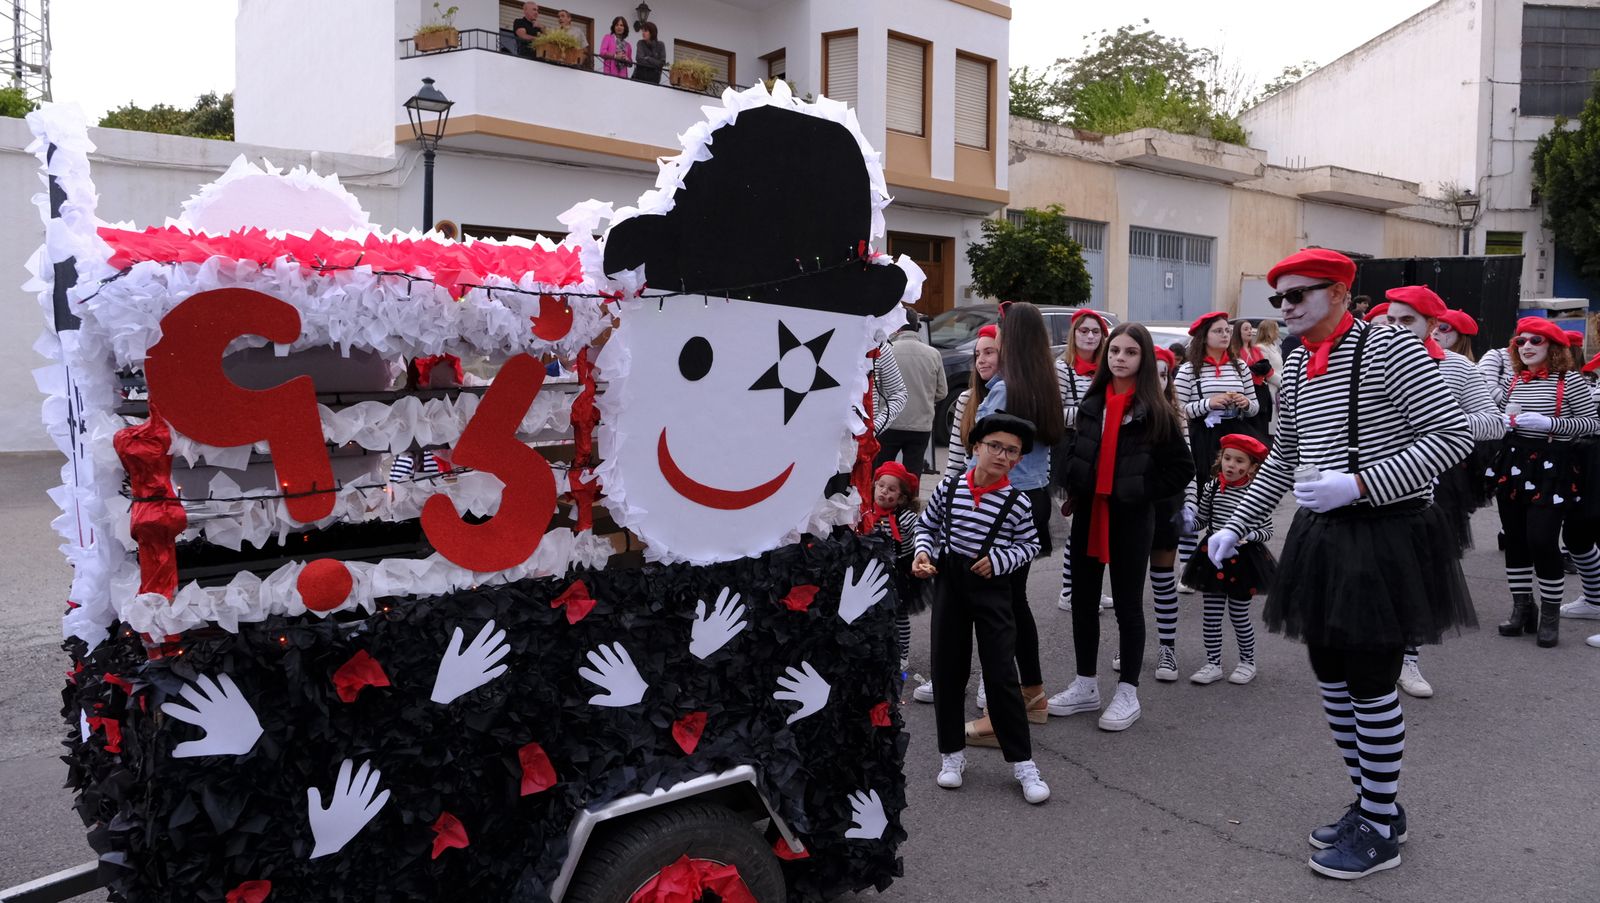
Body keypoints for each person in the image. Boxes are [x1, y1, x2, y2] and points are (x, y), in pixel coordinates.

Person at [1206, 248, 1474, 880]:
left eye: (1298, 294)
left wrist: (1358, 484)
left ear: (1339, 293)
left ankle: (1380, 831)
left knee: (1371, 683)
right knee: (1331, 677)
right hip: (1322, 537)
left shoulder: (1391, 349)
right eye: (1279, 298)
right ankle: (1374, 805)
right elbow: (1285, 453)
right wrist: (1237, 524)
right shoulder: (1298, 359)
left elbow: (1453, 436)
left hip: (1386, 534)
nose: (1286, 307)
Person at [1049, 323, 1193, 732]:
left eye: (1130, 352)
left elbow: (1181, 468)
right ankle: (1085, 684)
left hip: (1131, 518)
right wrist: (1076, 478)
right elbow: (1075, 449)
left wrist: (1140, 490)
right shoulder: (1091, 403)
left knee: (1128, 605)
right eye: (1114, 351)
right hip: (1089, 515)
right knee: (1083, 601)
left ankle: (1128, 691)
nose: (1120, 359)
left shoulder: (1156, 411)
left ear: (1143, 358)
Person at [914, 413, 1050, 804]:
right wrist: (923, 553)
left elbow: (1030, 545)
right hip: (951, 583)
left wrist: (1000, 560)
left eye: (1012, 451)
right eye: (995, 447)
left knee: (1002, 673)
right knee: (947, 669)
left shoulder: (1018, 502)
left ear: (1019, 459)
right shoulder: (950, 487)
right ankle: (951, 754)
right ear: (976, 447)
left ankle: (1023, 762)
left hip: (993, 589)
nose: (1002, 456)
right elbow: (928, 526)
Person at [1383, 286, 1505, 698]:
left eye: (1407, 321)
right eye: (1391, 320)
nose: (1396, 329)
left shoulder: (1457, 367)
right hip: (1374, 487)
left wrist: (1443, 424)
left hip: (1434, 484)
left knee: (1419, 572)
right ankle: (1374, 657)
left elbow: (1493, 422)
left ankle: (1408, 659)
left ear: (1432, 325)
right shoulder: (1366, 361)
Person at [959, 303, 1064, 743]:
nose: (994, 338)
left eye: (1000, 330)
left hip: (1002, 503)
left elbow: (982, 458)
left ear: (1011, 337)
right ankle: (1032, 694)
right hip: (1031, 500)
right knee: (1014, 604)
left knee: (998, 612)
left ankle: (1001, 716)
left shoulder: (1005, 391)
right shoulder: (1043, 386)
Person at [1491, 318, 1597, 649]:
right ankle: (1522, 608)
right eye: (1520, 341)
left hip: (1553, 467)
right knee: (1515, 539)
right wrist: (1503, 421)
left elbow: (1592, 424)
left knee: (1542, 540)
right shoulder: (1512, 379)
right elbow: (1497, 415)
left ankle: (1550, 616)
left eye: (1535, 341)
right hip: (1514, 462)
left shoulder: (1570, 380)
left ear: (1553, 347)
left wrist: (1549, 423)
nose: (1526, 347)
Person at [912, 325, 999, 705]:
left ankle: (990, 680)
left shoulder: (1013, 397)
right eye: (978, 354)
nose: (981, 360)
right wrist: (947, 504)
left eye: (990, 352)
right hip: (963, 508)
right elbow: (955, 462)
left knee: (992, 608)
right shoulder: (966, 400)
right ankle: (948, 677)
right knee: (952, 607)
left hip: (997, 512)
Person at [1182, 433, 1275, 685]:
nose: (1231, 465)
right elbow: (1202, 520)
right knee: (1211, 615)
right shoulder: (1212, 487)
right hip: (1213, 558)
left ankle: (1247, 662)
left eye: (1239, 461)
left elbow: (1267, 530)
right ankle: (1213, 663)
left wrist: (1246, 535)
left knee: (1239, 614)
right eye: (1227, 458)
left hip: (1243, 560)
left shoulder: (1256, 493)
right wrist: (1186, 522)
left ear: (1252, 467)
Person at [1054, 308, 1110, 612]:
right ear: (1073, 334)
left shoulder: (1107, 366)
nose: (1090, 336)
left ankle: (1089, 588)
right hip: (1074, 452)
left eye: (1095, 331)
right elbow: (1055, 413)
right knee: (1080, 523)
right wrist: (1093, 415)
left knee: (1095, 523)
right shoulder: (1062, 367)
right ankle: (1069, 591)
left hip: (1103, 450)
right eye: (1084, 331)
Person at [1176, 311, 1258, 489]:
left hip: (1236, 434)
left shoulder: (1240, 366)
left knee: (1238, 487)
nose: (1225, 335)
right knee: (1206, 485)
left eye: (1227, 331)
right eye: (1218, 331)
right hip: (1203, 436)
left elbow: (1254, 407)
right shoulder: (1188, 370)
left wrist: (1245, 403)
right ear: (1204, 337)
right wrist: (1208, 403)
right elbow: (1175, 411)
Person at [862, 461, 924, 674]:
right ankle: (875, 649)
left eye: (891, 489)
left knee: (899, 615)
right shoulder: (866, 510)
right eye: (880, 486)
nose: (883, 492)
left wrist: (922, 552)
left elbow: (921, 533)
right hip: (872, 568)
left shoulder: (905, 517)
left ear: (902, 497)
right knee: (871, 611)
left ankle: (901, 654)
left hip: (898, 571)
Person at [878, 321, 947, 474]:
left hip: (889, 422)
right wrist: (925, 398)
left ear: (897, 327)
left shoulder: (885, 351)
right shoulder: (933, 354)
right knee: (912, 475)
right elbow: (942, 392)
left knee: (881, 474)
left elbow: (875, 388)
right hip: (920, 425)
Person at [1231, 318, 1275, 444]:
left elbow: (1268, 370)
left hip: (1261, 390)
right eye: (1246, 329)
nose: (1250, 331)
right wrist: (1253, 369)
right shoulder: (1234, 351)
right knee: (1250, 426)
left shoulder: (1256, 350)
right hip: (1247, 390)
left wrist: (1262, 368)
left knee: (1262, 425)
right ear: (1238, 332)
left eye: (1250, 329)